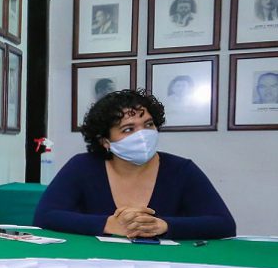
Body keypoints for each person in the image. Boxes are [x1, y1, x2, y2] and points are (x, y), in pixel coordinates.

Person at [34, 89, 235, 240]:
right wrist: (108, 224)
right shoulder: (82, 166)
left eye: (148, 125)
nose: (142, 135)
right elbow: (45, 216)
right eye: (128, 129)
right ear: (105, 141)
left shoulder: (181, 170)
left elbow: (224, 224)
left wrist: (164, 226)